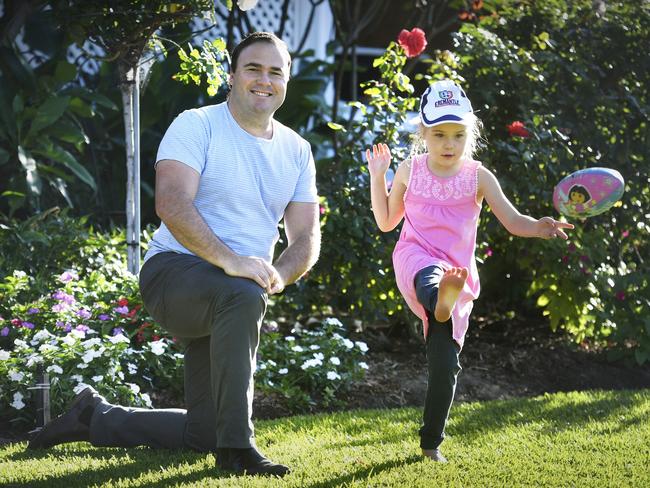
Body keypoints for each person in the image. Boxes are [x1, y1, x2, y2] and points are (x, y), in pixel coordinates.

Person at [28, 31, 321, 478]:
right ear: (232, 76)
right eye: (253, 69)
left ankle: (94, 416)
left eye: (275, 72)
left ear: (286, 81)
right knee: (242, 295)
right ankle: (238, 451)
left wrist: (279, 273)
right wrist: (232, 261)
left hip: (230, 290)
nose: (265, 80)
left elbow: (306, 235)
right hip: (173, 275)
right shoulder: (197, 124)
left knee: (202, 434)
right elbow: (171, 203)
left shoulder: (297, 151)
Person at [365, 79, 573, 463]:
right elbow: (386, 221)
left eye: (458, 135)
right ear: (423, 133)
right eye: (439, 134)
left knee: (445, 363)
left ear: (470, 133)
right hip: (416, 258)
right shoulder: (411, 170)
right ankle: (437, 297)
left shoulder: (478, 177)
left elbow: (512, 221)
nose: (448, 144)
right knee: (430, 276)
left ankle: (431, 444)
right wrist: (379, 175)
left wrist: (541, 226)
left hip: (457, 278)